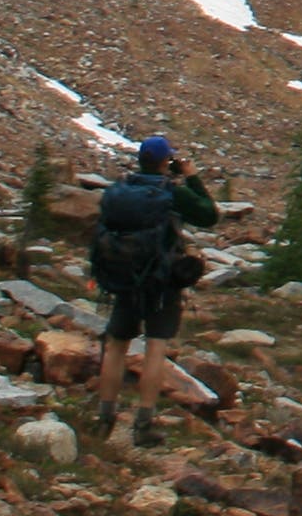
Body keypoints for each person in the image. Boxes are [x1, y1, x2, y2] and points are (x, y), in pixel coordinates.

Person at [88, 133, 220, 448]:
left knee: (116, 346)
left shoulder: (121, 190)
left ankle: (104, 417)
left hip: (124, 278)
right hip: (160, 282)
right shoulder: (172, 192)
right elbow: (209, 215)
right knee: (155, 348)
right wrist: (192, 177)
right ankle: (143, 423)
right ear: (166, 161)